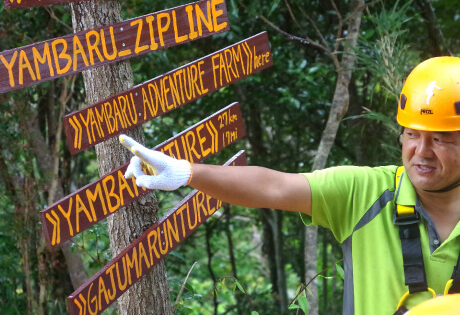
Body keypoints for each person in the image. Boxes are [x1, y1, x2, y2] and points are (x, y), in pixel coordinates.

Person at [122, 57, 460, 315]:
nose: (421, 151)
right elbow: (273, 186)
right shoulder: (366, 193)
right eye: (412, 135)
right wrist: (187, 173)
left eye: (441, 139)